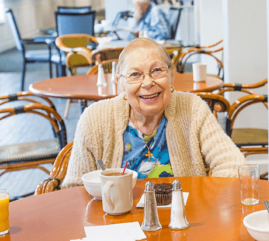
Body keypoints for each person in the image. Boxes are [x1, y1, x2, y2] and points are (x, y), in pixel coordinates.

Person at [62, 38, 244, 188]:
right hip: (117, 224)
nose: (148, 83)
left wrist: (205, 203)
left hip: (182, 221)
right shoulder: (95, 118)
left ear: (171, 76)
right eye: (135, 74)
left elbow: (234, 165)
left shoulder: (192, 108)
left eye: (157, 70)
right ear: (121, 83)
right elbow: (74, 188)